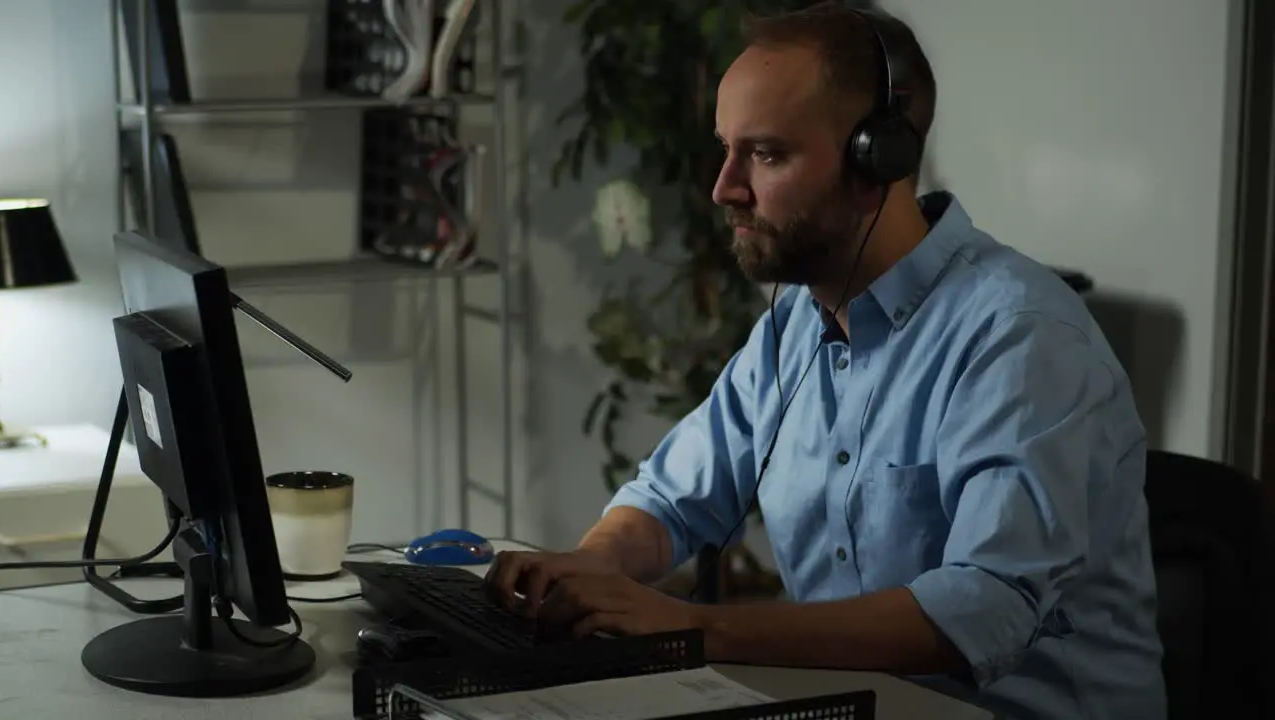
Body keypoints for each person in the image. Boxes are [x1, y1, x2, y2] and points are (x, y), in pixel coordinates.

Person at [486, 4, 1166, 718]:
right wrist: (589, 570)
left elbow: (983, 606)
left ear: (879, 157)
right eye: (726, 148)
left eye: (767, 154)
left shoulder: (1020, 335)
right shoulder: (792, 328)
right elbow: (669, 498)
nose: (724, 188)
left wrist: (689, 627)